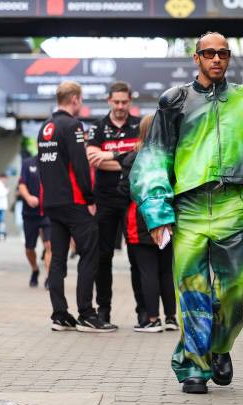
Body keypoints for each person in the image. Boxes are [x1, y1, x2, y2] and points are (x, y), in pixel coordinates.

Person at [131, 31, 243, 394]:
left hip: (232, 204)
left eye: (222, 53)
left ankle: (219, 347)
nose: (216, 59)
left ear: (228, 58)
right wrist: (158, 210)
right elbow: (154, 157)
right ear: (196, 57)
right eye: (208, 53)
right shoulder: (175, 101)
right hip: (189, 207)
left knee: (238, 284)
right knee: (192, 289)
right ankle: (195, 368)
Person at [37, 81, 115, 333]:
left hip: (52, 203)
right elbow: (81, 166)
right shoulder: (72, 125)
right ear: (74, 99)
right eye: (80, 100)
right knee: (90, 252)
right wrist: (90, 198)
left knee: (57, 258)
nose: (81, 104)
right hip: (74, 202)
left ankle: (60, 314)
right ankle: (87, 313)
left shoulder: (44, 127)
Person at [86, 81, 144, 326]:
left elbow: (142, 157)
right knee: (103, 257)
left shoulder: (138, 126)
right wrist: (127, 160)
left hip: (132, 199)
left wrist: (109, 157)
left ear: (130, 101)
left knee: (138, 258)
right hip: (105, 200)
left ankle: (144, 312)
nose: (120, 106)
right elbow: (92, 160)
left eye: (124, 102)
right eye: (116, 102)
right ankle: (104, 311)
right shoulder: (97, 127)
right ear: (109, 100)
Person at [121, 114, 178, 333]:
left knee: (147, 271)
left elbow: (125, 191)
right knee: (166, 271)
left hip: (140, 219)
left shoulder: (133, 159)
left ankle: (152, 319)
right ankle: (171, 318)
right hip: (167, 216)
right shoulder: (170, 156)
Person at [18, 155, 52, 288]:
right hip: (30, 213)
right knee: (29, 248)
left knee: (49, 245)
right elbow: (21, 185)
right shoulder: (28, 163)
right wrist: (28, 198)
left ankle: (50, 277)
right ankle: (35, 269)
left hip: (49, 213)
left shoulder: (55, 161)